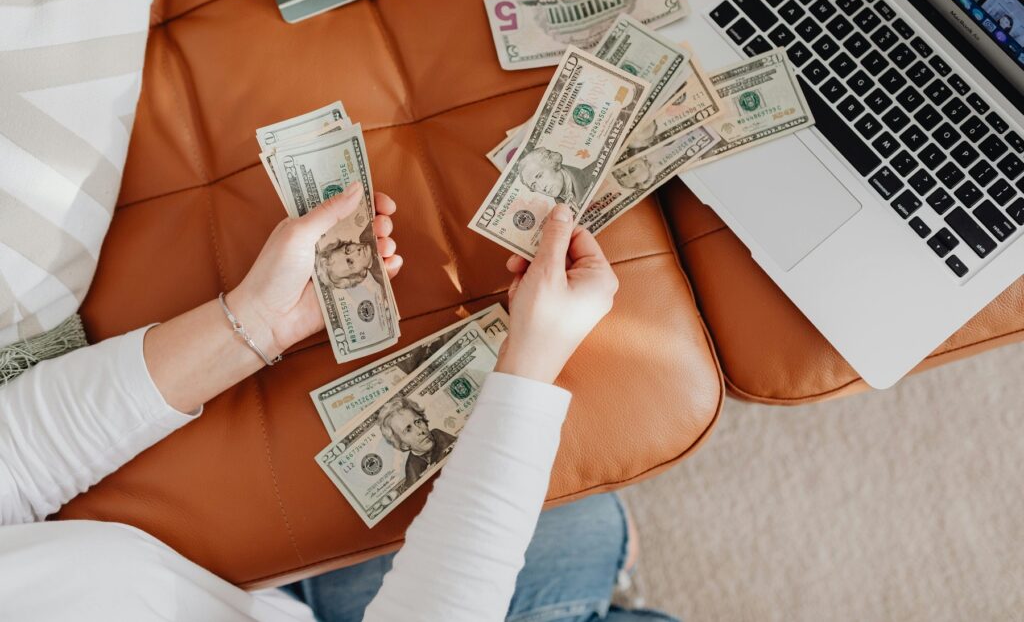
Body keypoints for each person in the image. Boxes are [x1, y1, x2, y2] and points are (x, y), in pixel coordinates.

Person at [0, 181, 678, 621]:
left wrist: (256, 321)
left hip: (253, 590)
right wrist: (530, 361)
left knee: (582, 528)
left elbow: (20, 455)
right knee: (589, 530)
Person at [378, 396, 457, 485]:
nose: (420, 431)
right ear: (403, 444)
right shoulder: (412, 470)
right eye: (408, 430)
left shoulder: (440, 436)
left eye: (418, 422)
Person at [518, 147, 590, 208]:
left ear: (553, 163)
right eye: (534, 185)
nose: (542, 187)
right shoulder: (561, 205)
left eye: (539, 176)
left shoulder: (590, 176)